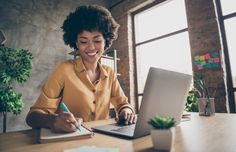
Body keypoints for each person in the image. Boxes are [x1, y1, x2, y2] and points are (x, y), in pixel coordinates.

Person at [26, 5, 136, 133]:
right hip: (69, 141)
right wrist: (52, 121)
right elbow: (32, 117)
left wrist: (126, 112)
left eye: (97, 41)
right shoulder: (64, 70)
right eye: (84, 42)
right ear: (76, 43)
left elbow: (123, 104)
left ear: (106, 42)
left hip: (103, 139)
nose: (91, 47)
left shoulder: (109, 73)